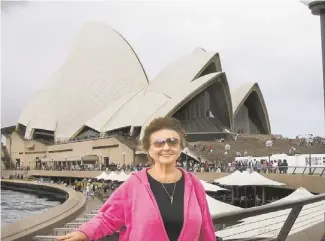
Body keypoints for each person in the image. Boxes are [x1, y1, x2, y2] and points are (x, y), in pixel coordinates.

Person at [56, 117, 215, 241]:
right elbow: (107, 218)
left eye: (172, 142)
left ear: (180, 147)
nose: (166, 147)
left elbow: (206, 229)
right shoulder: (134, 184)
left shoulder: (194, 184)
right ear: (149, 150)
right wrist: (84, 232)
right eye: (159, 143)